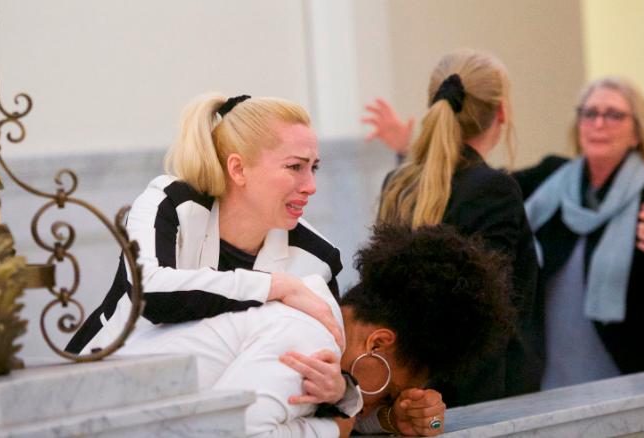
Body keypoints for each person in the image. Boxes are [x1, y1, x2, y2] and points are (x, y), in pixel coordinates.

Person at [66, 93, 359, 416]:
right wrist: (277, 286)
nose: (311, 186)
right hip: (91, 390)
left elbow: (325, 367)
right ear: (238, 169)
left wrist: (339, 391)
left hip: (198, 414)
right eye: (295, 167)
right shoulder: (171, 203)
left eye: (314, 167)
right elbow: (149, 293)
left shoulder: (317, 257)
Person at [119, 224, 515, 437]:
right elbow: (229, 434)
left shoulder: (321, 324)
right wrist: (334, 428)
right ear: (378, 343)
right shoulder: (309, 338)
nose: (380, 402)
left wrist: (395, 421)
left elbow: (327, 402)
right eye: (391, 392)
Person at [364, 49, 541, 406]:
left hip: (411, 392)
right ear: (502, 112)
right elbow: (487, 315)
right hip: (483, 399)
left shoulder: (399, 184)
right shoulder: (492, 189)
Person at [513, 76, 644, 388]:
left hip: (634, 374)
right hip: (550, 375)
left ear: (637, 133)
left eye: (614, 115)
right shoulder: (549, 180)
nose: (598, 123)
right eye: (589, 113)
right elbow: (490, 193)